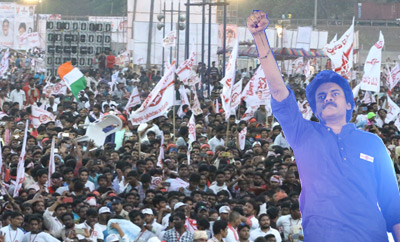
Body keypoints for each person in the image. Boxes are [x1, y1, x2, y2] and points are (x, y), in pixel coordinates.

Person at [247, 10, 400, 242]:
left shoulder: (372, 142)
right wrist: (259, 36)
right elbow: (279, 90)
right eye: (321, 97)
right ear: (316, 111)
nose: (327, 98)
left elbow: (392, 206)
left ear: (349, 103)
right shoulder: (303, 134)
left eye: (334, 93)